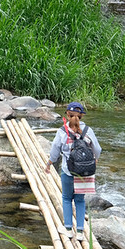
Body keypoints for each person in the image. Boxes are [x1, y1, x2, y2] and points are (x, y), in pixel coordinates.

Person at [45, 101, 101, 241]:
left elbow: (54, 151)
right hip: (85, 172)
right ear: (81, 116)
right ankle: (81, 233)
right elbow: (98, 149)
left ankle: (69, 229)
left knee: (66, 199)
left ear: (68, 115)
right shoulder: (88, 131)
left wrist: (49, 163)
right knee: (80, 201)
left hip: (68, 171)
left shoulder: (62, 131)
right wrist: (95, 159)